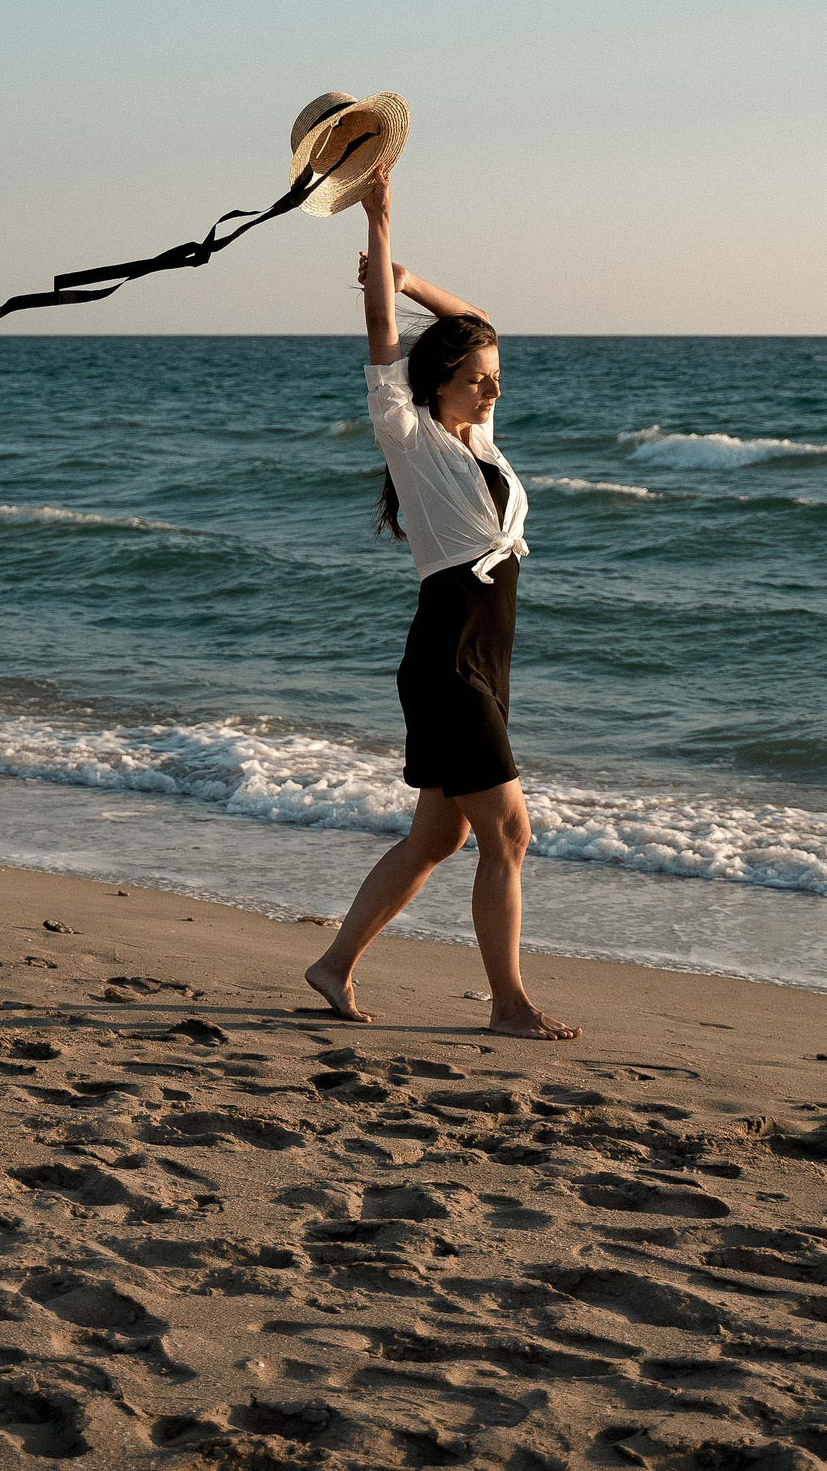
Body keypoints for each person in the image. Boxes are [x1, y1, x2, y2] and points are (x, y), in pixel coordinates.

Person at [304, 163, 580, 1042]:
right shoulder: (410, 435)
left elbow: (477, 322)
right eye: (478, 379)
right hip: (449, 660)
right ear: (438, 384)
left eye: (495, 376)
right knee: (509, 836)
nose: (494, 387)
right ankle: (508, 1004)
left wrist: (410, 276)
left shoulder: (479, 442)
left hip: (485, 663)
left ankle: (332, 965)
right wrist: (379, 221)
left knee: (438, 839)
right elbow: (383, 334)